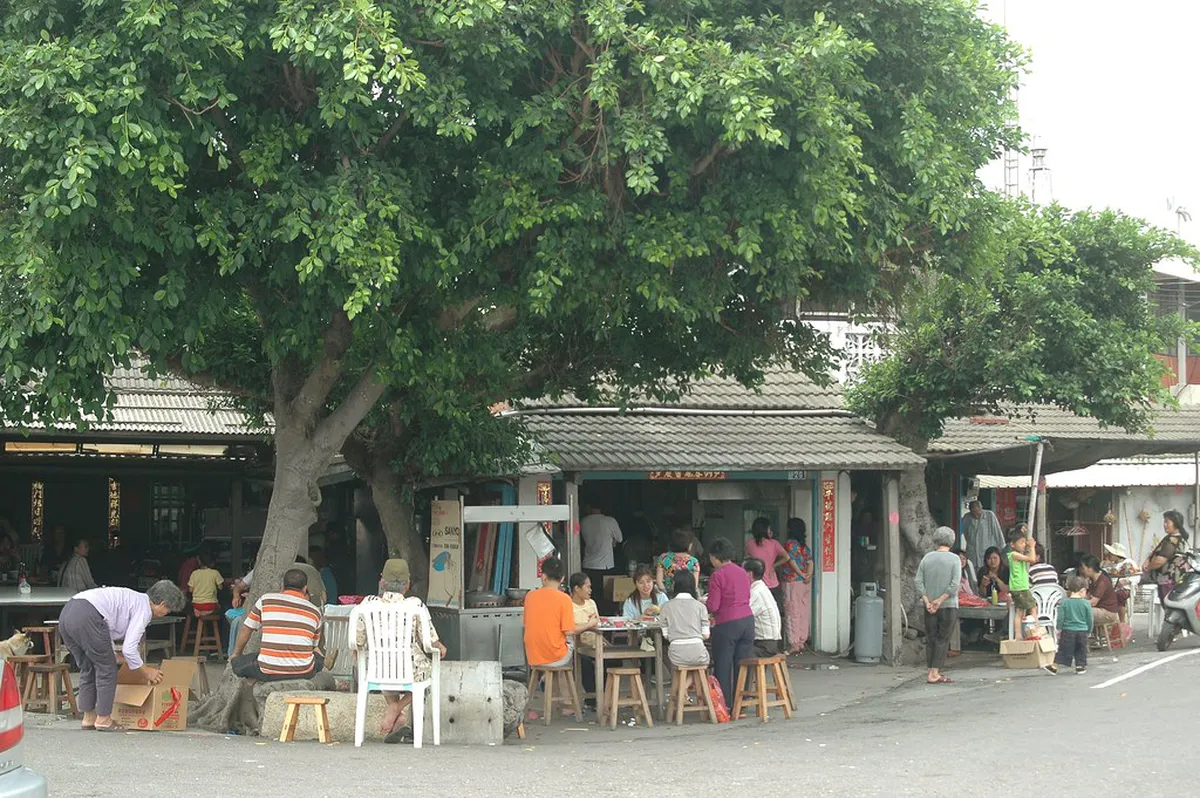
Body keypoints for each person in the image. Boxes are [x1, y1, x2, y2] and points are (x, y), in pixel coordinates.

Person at [57, 580, 185, 731]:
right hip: (88, 615)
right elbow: (129, 649)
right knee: (107, 669)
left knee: (88, 667)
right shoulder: (144, 609)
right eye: (167, 610)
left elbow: (105, 628)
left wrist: (112, 654)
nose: (165, 614)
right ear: (162, 603)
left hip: (68, 613)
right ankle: (104, 719)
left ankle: (89, 718)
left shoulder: (132, 598)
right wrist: (145, 671)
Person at [354, 558, 446, 743]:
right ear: (408, 584)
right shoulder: (415, 605)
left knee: (382, 663)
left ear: (382, 581)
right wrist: (440, 648)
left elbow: (357, 642)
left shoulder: (367, 604)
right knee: (429, 670)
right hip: (410, 670)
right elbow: (429, 640)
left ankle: (397, 713)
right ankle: (397, 708)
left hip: (377, 669)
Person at [231, 568, 323, 681]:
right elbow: (313, 647)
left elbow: (246, 630)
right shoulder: (315, 611)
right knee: (318, 660)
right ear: (305, 589)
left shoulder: (266, 600)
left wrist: (236, 655)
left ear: (282, 587)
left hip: (267, 671)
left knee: (238, 663)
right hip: (303, 671)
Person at [705, 537, 754, 710]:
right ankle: (742, 703)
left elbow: (713, 605)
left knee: (723, 666)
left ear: (715, 556)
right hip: (748, 621)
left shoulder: (717, 575)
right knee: (743, 664)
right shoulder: (742, 571)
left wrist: (705, 602)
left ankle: (724, 705)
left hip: (727, 623)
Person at [523, 557, 597, 668]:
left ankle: (545, 679)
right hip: (556, 656)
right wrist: (589, 624)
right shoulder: (564, 599)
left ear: (543, 577)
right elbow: (569, 631)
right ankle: (555, 680)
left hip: (533, 656)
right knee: (573, 643)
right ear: (562, 579)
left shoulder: (529, 596)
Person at [915, 527, 960, 684]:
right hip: (948, 605)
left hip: (929, 607)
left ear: (935, 540)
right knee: (942, 639)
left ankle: (930, 671)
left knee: (931, 638)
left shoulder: (927, 558)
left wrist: (928, 601)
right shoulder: (954, 559)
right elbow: (954, 584)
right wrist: (940, 600)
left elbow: (918, 581)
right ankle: (934, 673)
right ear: (951, 541)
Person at [658, 570, 710, 668]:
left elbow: (666, 635)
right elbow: (706, 635)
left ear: (674, 585)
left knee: (666, 654)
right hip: (698, 653)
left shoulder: (666, 606)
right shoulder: (700, 606)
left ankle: (683, 683)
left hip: (676, 655)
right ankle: (690, 682)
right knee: (699, 665)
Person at [568, 572, 603, 709]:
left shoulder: (591, 603)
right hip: (578, 647)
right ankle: (593, 700)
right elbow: (571, 629)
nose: (590, 590)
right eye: (587, 587)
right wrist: (588, 624)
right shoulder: (568, 606)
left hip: (596, 643)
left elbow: (597, 622)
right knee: (586, 664)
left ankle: (605, 696)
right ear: (577, 588)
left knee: (613, 660)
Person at [1046, 575, 1093, 675]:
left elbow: (1060, 618)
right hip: (1082, 630)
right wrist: (1089, 630)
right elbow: (1090, 618)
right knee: (1081, 649)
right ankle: (1080, 666)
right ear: (1083, 590)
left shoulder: (1065, 603)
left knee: (1064, 649)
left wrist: (1059, 628)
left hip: (1068, 630)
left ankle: (1054, 666)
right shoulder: (1086, 603)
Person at [744, 517, 789, 615]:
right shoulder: (774, 544)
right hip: (772, 583)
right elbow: (787, 557)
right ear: (765, 530)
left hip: (756, 584)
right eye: (769, 528)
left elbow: (746, 561)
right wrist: (774, 565)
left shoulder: (749, 544)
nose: (770, 530)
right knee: (775, 612)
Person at [781, 518, 813, 655]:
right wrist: (808, 576)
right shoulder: (804, 546)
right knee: (803, 611)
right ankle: (801, 641)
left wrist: (800, 574)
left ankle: (794, 643)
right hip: (805, 583)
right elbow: (810, 562)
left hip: (791, 582)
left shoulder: (790, 544)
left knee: (792, 611)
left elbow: (791, 561)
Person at [1142, 510, 1190, 602]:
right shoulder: (1168, 538)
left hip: (1168, 581)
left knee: (1169, 608)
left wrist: (1148, 567)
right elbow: (1156, 552)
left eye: (1167, 522)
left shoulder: (1173, 541)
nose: (1164, 524)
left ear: (1176, 523)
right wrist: (1148, 559)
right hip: (1163, 581)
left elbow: (1160, 560)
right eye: (1164, 522)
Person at [580, 505, 623, 605]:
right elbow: (620, 538)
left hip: (588, 565)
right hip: (605, 565)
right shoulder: (609, 521)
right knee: (607, 599)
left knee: (591, 597)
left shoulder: (584, 521)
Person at [744, 558, 782, 657]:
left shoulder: (756, 592)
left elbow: (743, 616)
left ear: (749, 574)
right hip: (769, 642)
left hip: (764, 645)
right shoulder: (760, 588)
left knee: (731, 650)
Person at [1007, 527, 1038, 637]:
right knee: (1032, 608)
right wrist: (1032, 547)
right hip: (1020, 587)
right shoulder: (1014, 555)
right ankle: (1032, 632)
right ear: (1012, 544)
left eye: (1024, 543)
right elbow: (1032, 559)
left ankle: (1021, 634)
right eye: (1021, 543)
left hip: (1019, 587)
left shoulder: (1017, 555)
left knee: (1021, 610)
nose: (1023, 545)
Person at [1079, 554, 1121, 629]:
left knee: (1079, 612)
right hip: (1099, 609)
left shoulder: (1102, 581)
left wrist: (1076, 604)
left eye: (1083, 568)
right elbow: (1088, 596)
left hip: (1108, 612)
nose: (1082, 571)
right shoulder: (1093, 580)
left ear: (1090, 569)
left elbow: (1093, 602)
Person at [960, 500, 1005, 571]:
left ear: (981, 508)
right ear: (970, 510)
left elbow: (997, 532)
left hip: (987, 551)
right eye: (973, 512)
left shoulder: (990, 515)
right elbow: (966, 534)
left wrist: (1001, 548)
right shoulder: (967, 517)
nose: (976, 515)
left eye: (978, 512)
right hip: (972, 553)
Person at [655, 527, 700, 595]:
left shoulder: (663, 558)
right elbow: (695, 586)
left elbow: (659, 581)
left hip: (668, 595)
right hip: (687, 597)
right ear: (688, 545)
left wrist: (666, 595)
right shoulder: (694, 562)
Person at [187, 550, 224, 616]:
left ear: (200, 562)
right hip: (210, 605)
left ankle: (200, 613)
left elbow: (190, 590)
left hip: (196, 605)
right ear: (212, 562)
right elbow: (220, 588)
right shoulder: (215, 573)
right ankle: (206, 613)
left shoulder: (194, 573)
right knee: (221, 608)